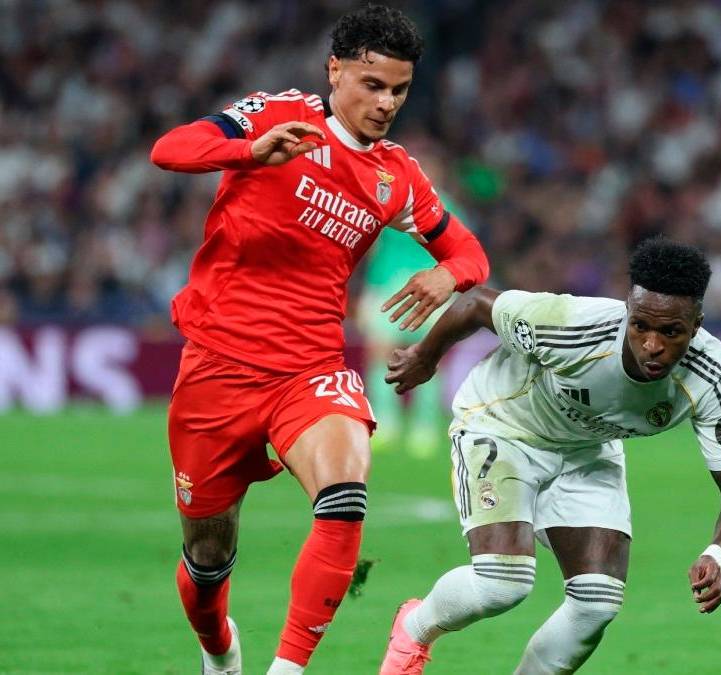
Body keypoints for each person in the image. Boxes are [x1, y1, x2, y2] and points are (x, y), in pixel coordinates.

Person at [149, 5, 489, 674]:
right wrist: (248, 151)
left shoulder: (396, 176)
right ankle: (220, 651)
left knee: (345, 493)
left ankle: (288, 668)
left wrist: (447, 275)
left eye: (399, 89)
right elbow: (170, 149)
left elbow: (469, 251)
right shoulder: (278, 117)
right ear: (336, 70)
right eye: (372, 84)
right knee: (208, 558)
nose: (385, 102)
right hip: (218, 364)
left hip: (309, 368)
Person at [379, 237, 721, 674]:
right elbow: (478, 304)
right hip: (504, 423)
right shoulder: (573, 326)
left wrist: (718, 553)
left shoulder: (710, 375)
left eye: (670, 332)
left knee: (597, 603)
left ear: (695, 326)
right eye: (640, 326)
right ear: (627, 312)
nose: (651, 345)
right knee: (503, 583)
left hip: (586, 450)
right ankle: (414, 628)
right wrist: (426, 358)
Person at [357, 180, 474, 458]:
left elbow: (459, 248)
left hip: (431, 285)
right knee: (382, 353)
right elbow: (371, 245)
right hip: (388, 283)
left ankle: (425, 425)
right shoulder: (386, 202)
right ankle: (387, 422)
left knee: (429, 355)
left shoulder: (446, 206)